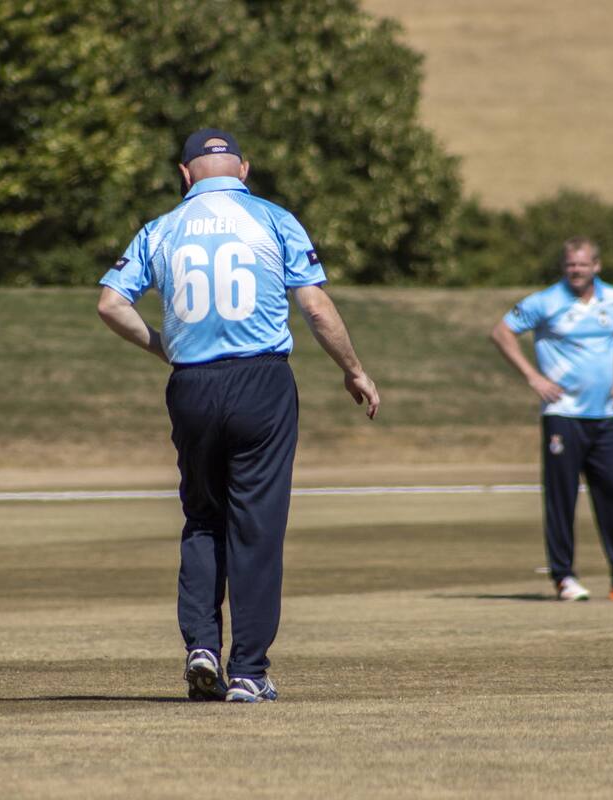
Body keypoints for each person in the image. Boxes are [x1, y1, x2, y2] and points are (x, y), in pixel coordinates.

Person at [97, 128, 380, 702]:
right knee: (256, 527)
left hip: (193, 383)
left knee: (203, 516)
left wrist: (162, 345)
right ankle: (248, 670)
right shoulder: (274, 219)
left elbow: (110, 302)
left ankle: (201, 643)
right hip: (261, 380)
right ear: (244, 170)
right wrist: (353, 369)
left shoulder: (161, 228)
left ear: (185, 174)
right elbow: (317, 308)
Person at [489, 237, 613, 602]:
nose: (576, 270)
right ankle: (564, 577)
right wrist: (532, 377)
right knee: (562, 498)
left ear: (596, 266)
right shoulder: (545, 301)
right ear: (564, 266)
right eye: (571, 264)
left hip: (604, 416)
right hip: (563, 416)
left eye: (583, 264)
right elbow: (501, 331)